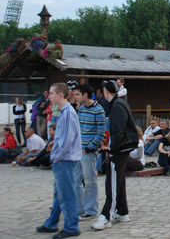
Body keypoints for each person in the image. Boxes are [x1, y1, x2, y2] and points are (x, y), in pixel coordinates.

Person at [36, 82, 82, 238]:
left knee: (66, 194)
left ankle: (71, 227)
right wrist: (55, 146)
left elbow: (68, 139)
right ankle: (52, 222)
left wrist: (56, 155)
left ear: (60, 94)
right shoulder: (64, 111)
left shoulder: (68, 112)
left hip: (65, 160)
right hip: (63, 158)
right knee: (59, 193)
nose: (49, 96)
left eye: (52, 93)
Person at [92, 80, 138, 231]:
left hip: (120, 148)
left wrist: (112, 149)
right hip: (124, 147)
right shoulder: (119, 103)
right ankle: (122, 211)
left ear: (106, 91)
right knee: (119, 180)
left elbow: (118, 131)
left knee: (111, 182)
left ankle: (106, 216)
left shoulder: (117, 105)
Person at [74, 84, 106, 221]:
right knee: (75, 180)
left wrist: (89, 148)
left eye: (78, 94)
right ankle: (79, 208)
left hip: (89, 151)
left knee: (89, 180)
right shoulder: (81, 108)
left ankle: (91, 210)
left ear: (85, 95)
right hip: (78, 150)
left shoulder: (99, 110)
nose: (76, 97)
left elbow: (101, 133)